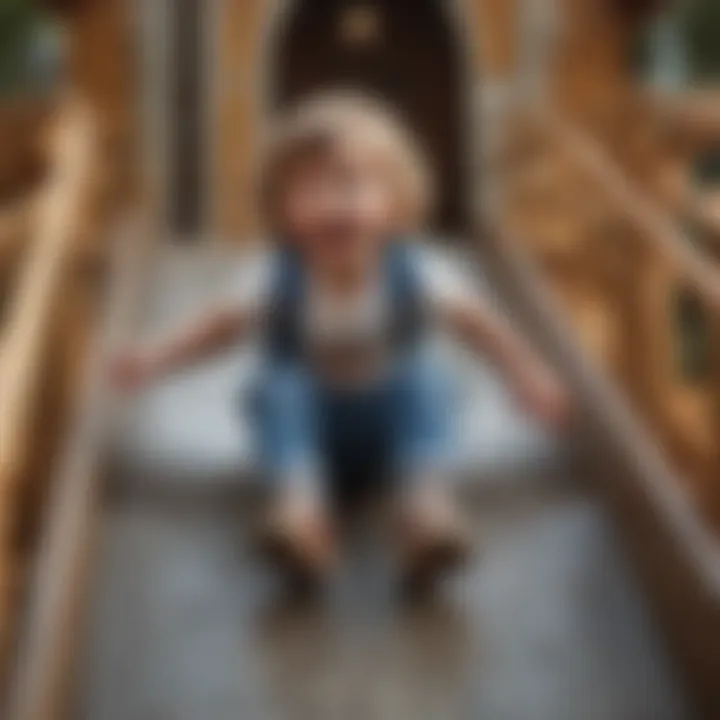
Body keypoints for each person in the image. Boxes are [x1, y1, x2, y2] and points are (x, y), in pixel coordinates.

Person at [113, 94, 570, 591]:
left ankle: (424, 514)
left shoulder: (417, 273)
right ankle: (300, 516)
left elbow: (481, 327)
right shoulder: (275, 277)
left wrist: (529, 375)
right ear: (282, 207)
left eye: (352, 185)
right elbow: (217, 328)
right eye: (311, 188)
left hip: (390, 434)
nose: (333, 204)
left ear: (394, 201)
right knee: (278, 386)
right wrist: (154, 360)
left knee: (426, 377)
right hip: (309, 439)